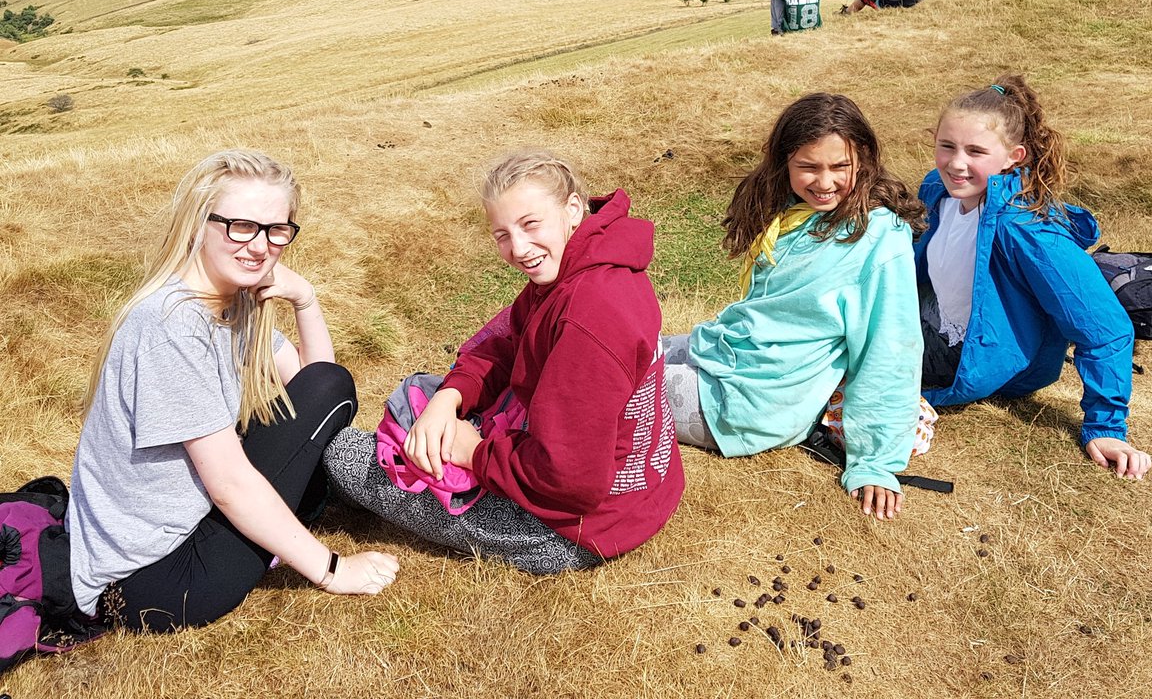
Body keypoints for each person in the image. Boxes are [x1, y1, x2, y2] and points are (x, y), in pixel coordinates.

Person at [68, 149, 399, 633]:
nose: (260, 246)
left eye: (276, 230)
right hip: (152, 581)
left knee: (332, 383)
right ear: (198, 224)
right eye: (241, 226)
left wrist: (304, 299)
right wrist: (333, 570)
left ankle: (289, 519)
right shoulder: (172, 326)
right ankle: (295, 523)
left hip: (185, 530)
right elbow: (228, 484)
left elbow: (316, 385)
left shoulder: (226, 304)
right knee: (304, 441)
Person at [324, 149, 685, 572]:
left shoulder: (588, 313)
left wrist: (474, 452)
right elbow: (507, 343)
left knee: (343, 456)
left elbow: (570, 479)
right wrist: (448, 399)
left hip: (575, 530)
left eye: (530, 224)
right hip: (640, 494)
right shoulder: (582, 266)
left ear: (572, 208)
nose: (518, 249)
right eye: (502, 234)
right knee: (429, 408)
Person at [662, 94, 925, 520]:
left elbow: (890, 351)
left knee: (599, 386)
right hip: (726, 353)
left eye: (840, 166)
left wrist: (876, 463)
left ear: (864, 158)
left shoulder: (879, 239)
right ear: (783, 161)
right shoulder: (791, 211)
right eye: (808, 166)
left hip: (753, 400)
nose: (825, 182)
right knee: (615, 350)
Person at [916, 76, 1151, 479]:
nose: (956, 163)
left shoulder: (1025, 230)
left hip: (976, 355)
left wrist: (1106, 427)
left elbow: (1106, 327)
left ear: (1013, 157)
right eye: (947, 146)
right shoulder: (939, 189)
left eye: (976, 151)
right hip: (935, 318)